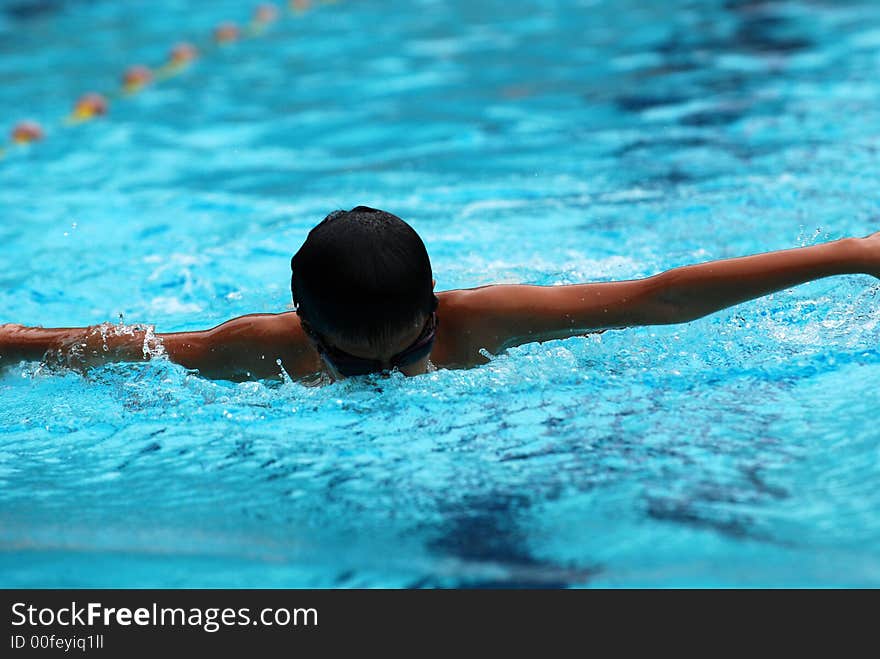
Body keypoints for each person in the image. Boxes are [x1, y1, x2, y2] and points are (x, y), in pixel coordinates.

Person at [1, 206, 878, 382]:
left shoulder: (485, 319)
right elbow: (134, 343)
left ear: (435, 312)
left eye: (414, 353)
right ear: (308, 327)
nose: (392, 379)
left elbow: (654, 297)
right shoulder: (260, 345)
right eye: (352, 364)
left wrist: (849, 253)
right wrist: (13, 341)